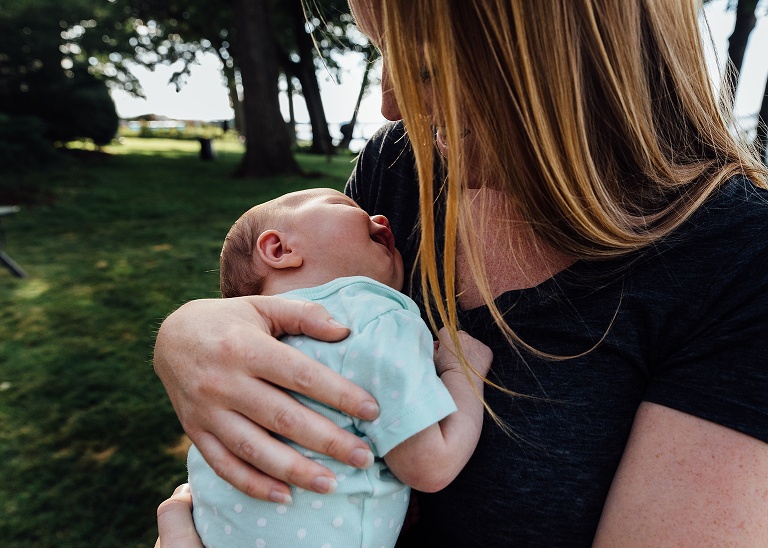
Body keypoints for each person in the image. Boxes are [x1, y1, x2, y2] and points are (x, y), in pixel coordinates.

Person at [154, 0, 768, 546]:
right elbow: (297, 328)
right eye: (381, 50)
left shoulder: (741, 261)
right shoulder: (401, 167)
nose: (392, 105)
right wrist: (189, 334)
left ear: (569, 55)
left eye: (427, 67)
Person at [185, 188, 492, 548]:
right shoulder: (374, 317)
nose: (379, 217)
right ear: (279, 249)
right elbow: (432, 465)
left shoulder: (237, 357)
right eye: (343, 204)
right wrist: (463, 370)